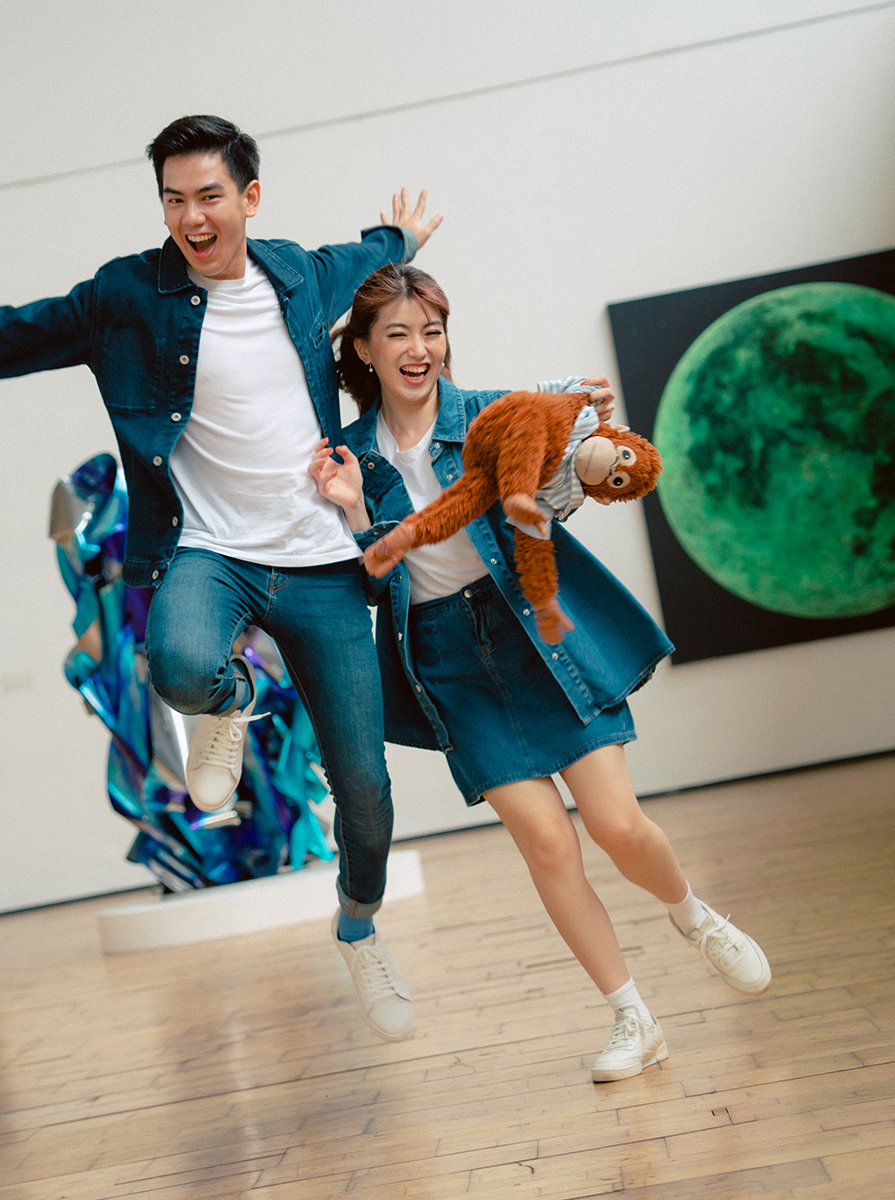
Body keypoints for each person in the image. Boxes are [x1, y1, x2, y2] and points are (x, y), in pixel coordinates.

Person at [0, 116, 441, 1043]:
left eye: (209, 196)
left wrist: (399, 238)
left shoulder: (297, 275)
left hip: (321, 561)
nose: (192, 218)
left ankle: (359, 927)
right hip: (210, 551)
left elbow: (360, 257)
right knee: (178, 665)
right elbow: (3, 337)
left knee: (365, 793)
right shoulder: (128, 295)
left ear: (249, 198)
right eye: (173, 200)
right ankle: (230, 701)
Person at [308, 264, 772, 1080]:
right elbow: (374, 587)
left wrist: (586, 434)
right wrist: (351, 510)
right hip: (448, 660)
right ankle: (632, 1018)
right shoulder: (353, 457)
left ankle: (694, 917)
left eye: (432, 332)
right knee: (550, 847)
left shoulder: (492, 415)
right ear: (367, 351)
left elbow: (565, 476)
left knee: (618, 827)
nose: (420, 349)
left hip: (536, 633)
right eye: (399, 335)